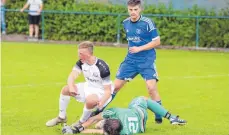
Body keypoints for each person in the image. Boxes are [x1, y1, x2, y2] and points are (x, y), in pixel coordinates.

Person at [95, 0, 163, 124]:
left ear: (140, 9)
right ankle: (99, 110)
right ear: (128, 10)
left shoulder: (147, 23)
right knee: (114, 87)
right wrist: (133, 51)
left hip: (146, 61)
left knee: (151, 88)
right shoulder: (125, 23)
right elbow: (131, 41)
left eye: (135, 9)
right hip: (130, 61)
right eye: (131, 10)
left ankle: (159, 115)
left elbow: (157, 41)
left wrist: (139, 48)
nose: (133, 12)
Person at [46, 41, 113, 127]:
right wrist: (71, 87)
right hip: (88, 87)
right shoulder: (81, 62)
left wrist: (102, 102)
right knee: (65, 89)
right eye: (78, 53)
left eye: (81, 54)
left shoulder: (102, 67)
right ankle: (61, 117)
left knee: (90, 100)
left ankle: (81, 122)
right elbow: (72, 76)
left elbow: (108, 90)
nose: (79, 56)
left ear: (89, 54)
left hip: (100, 91)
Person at [62, 96, 187, 135]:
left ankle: (170, 118)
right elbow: (95, 128)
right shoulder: (117, 112)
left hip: (141, 126)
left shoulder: (120, 131)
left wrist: (76, 130)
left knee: (97, 120)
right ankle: (171, 117)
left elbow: (94, 125)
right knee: (143, 98)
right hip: (139, 113)